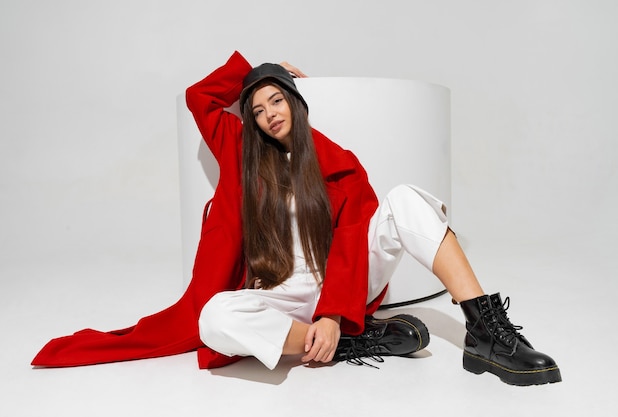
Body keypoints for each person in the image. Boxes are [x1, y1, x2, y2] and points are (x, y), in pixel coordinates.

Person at [32, 51, 561, 386]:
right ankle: (347, 342)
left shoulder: (334, 159)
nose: (268, 114)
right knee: (213, 318)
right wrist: (259, 69)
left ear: (295, 102)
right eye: (257, 109)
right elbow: (200, 98)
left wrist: (333, 308)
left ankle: (485, 331)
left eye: (276, 99)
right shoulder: (241, 149)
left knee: (402, 198)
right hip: (281, 290)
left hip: (341, 280)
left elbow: (355, 236)